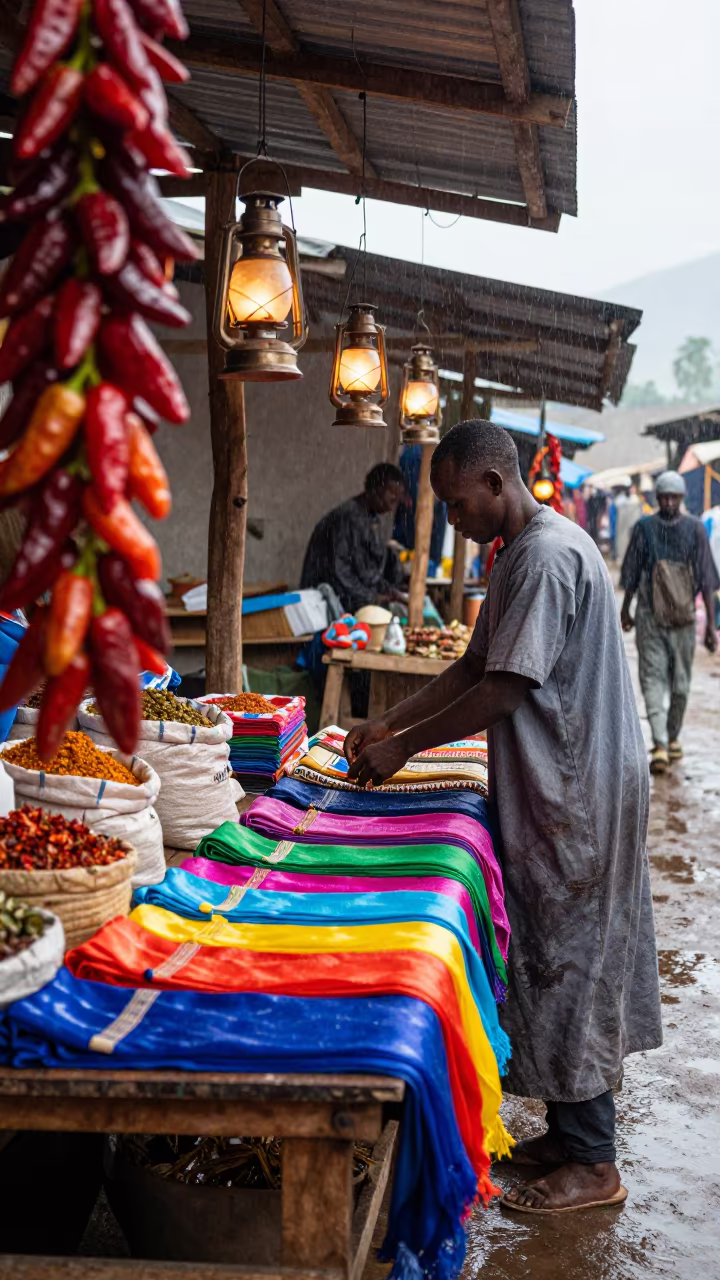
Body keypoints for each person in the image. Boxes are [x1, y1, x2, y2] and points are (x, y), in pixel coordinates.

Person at [344, 420, 661, 1215]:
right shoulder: (520, 553)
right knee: (552, 958)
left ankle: (594, 1163)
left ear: (494, 483)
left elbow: (504, 691)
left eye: (456, 505)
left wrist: (403, 749)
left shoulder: (549, 557)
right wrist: (386, 727)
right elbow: (472, 666)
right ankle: (567, 1131)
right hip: (563, 780)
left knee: (571, 963)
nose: (454, 521)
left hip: (579, 792)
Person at [620, 470, 718, 775]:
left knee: (681, 684)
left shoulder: (695, 529)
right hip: (650, 616)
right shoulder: (644, 528)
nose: (668, 502)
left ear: (681, 498)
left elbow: (706, 580)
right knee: (651, 679)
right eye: (664, 497)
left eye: (673, 497)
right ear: (657, 498)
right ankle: (661, 743)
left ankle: (672, 737)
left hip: (684, 620)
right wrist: (626, 609)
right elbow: (633, 573)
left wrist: (711, 628)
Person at [300, 463, 406, 614]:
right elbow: (340, 573)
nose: (392, 507)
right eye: (392, 499)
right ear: (376, 489)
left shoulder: (370, 518)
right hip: (324, 605)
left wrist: (390, 591)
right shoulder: (348, 518)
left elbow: (366, 570)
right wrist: (372, 598)